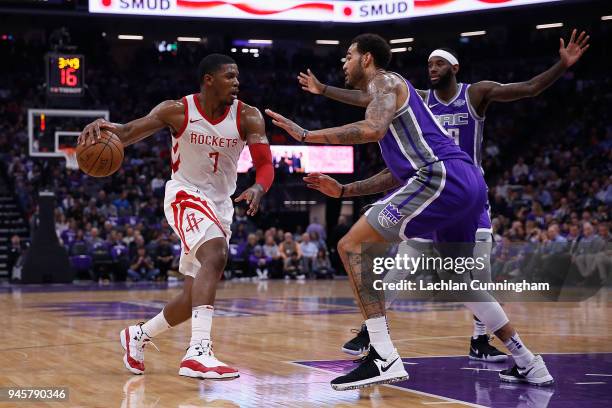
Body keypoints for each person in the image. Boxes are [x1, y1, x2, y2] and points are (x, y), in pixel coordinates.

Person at [267, 33, 554, 390]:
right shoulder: (396, 110)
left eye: (349, 55)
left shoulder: (385, 81)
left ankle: (382, 354)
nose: (344, 62)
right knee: (459, 282)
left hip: (442, 177)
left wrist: (308, 136)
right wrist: (344, 190)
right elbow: (394, 174)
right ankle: (529, 361)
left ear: (367, 59)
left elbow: (372, 129)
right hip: (465, 183)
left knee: (350, 246)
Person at [78, 53, 274, 379]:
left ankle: (137, 335)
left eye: (238, 76)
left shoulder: (249, 117)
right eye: (229, 76)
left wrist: (259, 187)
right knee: (216, 253)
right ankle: (198, 351)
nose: (237, 82)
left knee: (190, 297)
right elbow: (126, 133)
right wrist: (102, 128)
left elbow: (265, 164)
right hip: (184, 195)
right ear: (208, 80)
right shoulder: (177, 110)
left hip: (220, 204)